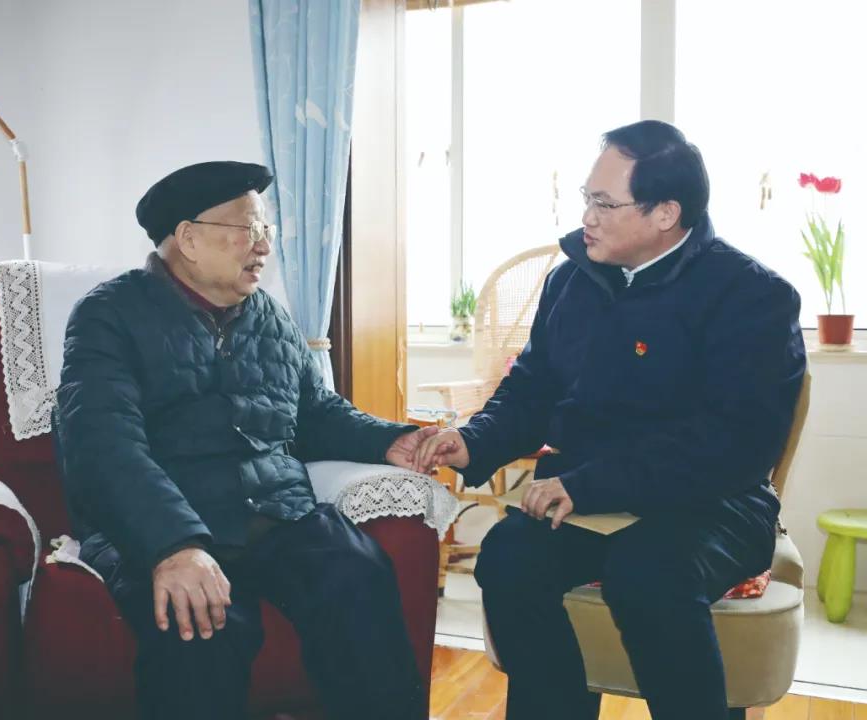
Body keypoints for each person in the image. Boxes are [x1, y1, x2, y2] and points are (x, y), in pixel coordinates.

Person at [415, 120, 807, 720]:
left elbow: (732, 444)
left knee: (648, 574)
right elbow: (532, 388)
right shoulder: (571, 280)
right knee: (509, 557)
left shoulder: (750, 295)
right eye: (586, 198)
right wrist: (473, 441)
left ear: (666, 213)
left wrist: (587, 484)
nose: (586, 218)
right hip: (587, 493)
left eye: (604, 203)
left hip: (712, 503)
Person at [55, 161, 436, 719]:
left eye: (266, 229)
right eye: (248, 228)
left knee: (358, 574)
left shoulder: (270, 316)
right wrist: (173, 546)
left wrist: (389, 441)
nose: (264, 245)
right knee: (199, 628)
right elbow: (102, 443)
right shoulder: (109, 314)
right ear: (188, 239)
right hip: (165, 524)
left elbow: (314, 414)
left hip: (276, 515)